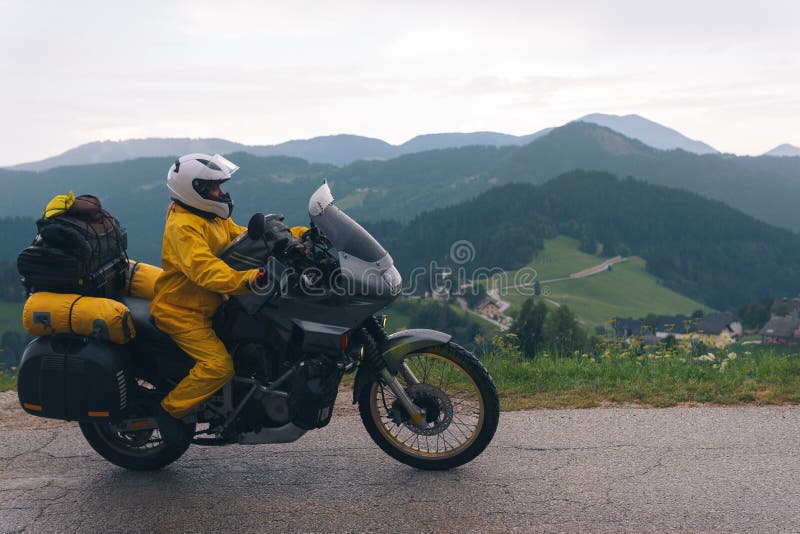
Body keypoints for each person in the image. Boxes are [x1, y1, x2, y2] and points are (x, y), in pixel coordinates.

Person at [150, 153, 263, 445]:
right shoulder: (183, 227)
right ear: (194, 190)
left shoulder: (210, 216)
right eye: (213, 188)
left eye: (220, 187)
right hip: (183, 313)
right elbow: (205, 270)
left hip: (212, 306)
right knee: (218, 367)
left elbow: (242, 239)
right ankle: (169, 412)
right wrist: (249, 279)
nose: (221, 193)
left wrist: (294, 237)